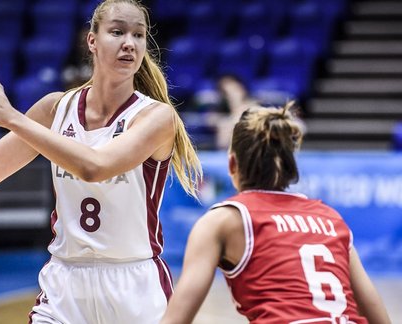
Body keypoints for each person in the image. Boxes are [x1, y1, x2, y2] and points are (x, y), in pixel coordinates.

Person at [0, 0, 202, 323]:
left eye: (138, 35)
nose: (129, 43)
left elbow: (94, 167)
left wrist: (11, 118)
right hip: (65, 282)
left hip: (133, 284)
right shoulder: (55, 109)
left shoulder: (156, 117)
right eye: (117, 32)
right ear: (92, 41)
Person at [161, 103, 391, 324]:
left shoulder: (224, 220)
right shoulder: (330, 218)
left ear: (232, 164)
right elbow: (376, 315)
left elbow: (177, 318)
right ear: (291, 166)